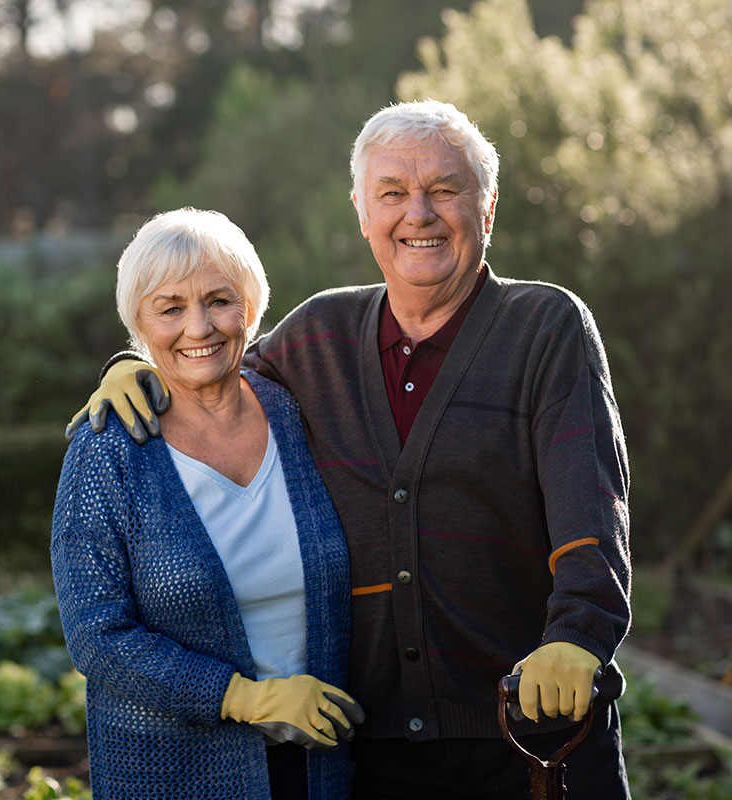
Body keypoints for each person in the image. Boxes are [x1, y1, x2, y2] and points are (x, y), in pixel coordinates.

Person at [68, 101, 632, 798]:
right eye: (392, 194)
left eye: (444, 190)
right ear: (363, 214)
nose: (417, 213)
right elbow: (205, 363)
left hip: (531, 734)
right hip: (373, 752)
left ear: (486, 211)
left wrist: (578, 635)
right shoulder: (319, 338)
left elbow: (592, 505)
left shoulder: (545, 327)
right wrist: (132, 368)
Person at [51, 207, 363, 800]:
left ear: (250, 306)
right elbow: (97, 634)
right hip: (179, 775)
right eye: (169, 309)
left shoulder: (299, 413)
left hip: (327, 767)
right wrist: (244, 697)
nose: (199, 328)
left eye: (219, 300)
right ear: (139, 326)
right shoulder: (107, 453)